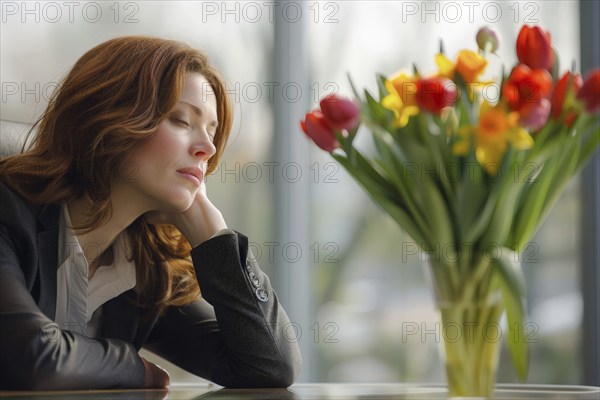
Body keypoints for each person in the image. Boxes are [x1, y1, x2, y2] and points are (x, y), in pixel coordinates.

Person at [0, 36, 301, 390]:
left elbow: (271, 367)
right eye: (182, 120)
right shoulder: (9, 211)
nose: (207, 148)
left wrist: (215, 239)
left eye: (212, 131)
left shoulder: (143, 269)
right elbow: (31, 356)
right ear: (108, 118)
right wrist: (136, 369)